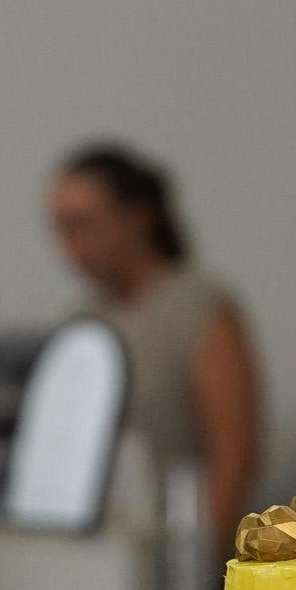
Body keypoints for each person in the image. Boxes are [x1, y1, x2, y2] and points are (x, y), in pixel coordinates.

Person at [48, 143, 262, 554]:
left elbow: (235, 457)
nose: (70, 248)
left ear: (138, 217)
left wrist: (192, 568)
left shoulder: (201, 311)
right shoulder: (81, 321)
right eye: (60, 230)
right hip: (97, 559)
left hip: (176, 558)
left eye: (81, 226)